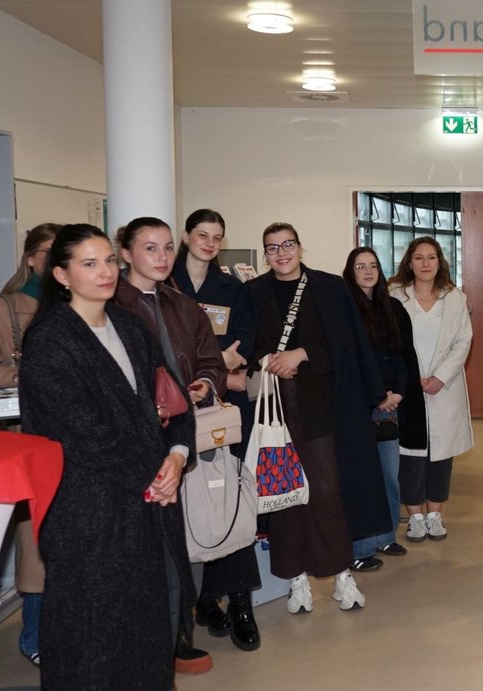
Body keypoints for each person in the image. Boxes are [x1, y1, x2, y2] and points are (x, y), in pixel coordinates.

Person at [20, 224, 194, 690]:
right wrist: (154, 474)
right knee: (91, 635)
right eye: (89, 263)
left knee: (146, 632)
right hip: (87, 513)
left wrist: (177, 457)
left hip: (146, 506)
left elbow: (173, 397)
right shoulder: (50, 341)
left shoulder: (129, 327)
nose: (106, 272)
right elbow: (81, 433)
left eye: (109, 261)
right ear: (61, 275)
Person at [233, 222, 390, 613]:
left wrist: (302, 354)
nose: (281, 253)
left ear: (300, 248)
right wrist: (269, 359)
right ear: (265, 255)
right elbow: (245, 343)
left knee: (325, 490)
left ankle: (341, 574)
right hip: (275, 409)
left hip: (323, 406)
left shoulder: (329, 287)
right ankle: (296, 577)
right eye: (272, 248)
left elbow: (347, 341)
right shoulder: (253, 292)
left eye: (288, 244)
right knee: (284, 493)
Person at [113, 216, 225, 673]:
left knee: (174, 546)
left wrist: (203, 383)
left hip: (178, 435)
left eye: (166, 248)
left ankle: (177, 637)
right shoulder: (108, 305)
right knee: (133, 550)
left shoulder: (183, 305)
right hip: (127, 442)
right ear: (126, 253)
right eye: (149, 248)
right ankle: (140, 644)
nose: (161, 257)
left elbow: (210, 360)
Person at [169, 208, 262, 651]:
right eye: (202, 234)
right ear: (187, 236)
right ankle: (203, 600)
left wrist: (220, 364)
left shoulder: (231, 288)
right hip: (178, 409)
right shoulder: (165, 285)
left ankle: (241, 600)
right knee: (188, 504)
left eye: (216, 237)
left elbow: (245, 341)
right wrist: (214, 360)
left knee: (228, 499)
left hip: (223, 408)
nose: (209, 243)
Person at [0, 222, 57, 667]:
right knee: (36, 545)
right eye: (48, 251)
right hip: (26, 441)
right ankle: (35, 637)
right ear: (30, 257)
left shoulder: (78, 305)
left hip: (75, 440)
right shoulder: (3, 309)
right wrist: (24, 374)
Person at [343, 247, 427, 563]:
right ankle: (360, 548)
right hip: (358, 405)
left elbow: (405, 354)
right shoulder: (345, 309)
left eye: (373, 266)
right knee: (363, 478)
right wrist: (378, 394)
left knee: (390, 475)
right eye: (360, 266)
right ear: (350, 272)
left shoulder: (393, 307)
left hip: (389, 406)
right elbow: (350, 361)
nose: (368, 271)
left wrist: (399, 394)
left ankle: (386, 537)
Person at [389, 237, 474, 542]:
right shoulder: (394, 295)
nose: (425, 264)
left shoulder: (455, 298)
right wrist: (408, 379)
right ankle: (415, 516)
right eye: (419, 258)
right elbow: (388, 341)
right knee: (409, 454)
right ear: (409, 262)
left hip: (443, 386)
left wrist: (440, 377)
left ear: (440, 262)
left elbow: (463, 341)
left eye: (431, 257)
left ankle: (435, 514)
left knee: (440, 454)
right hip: (407, 386)